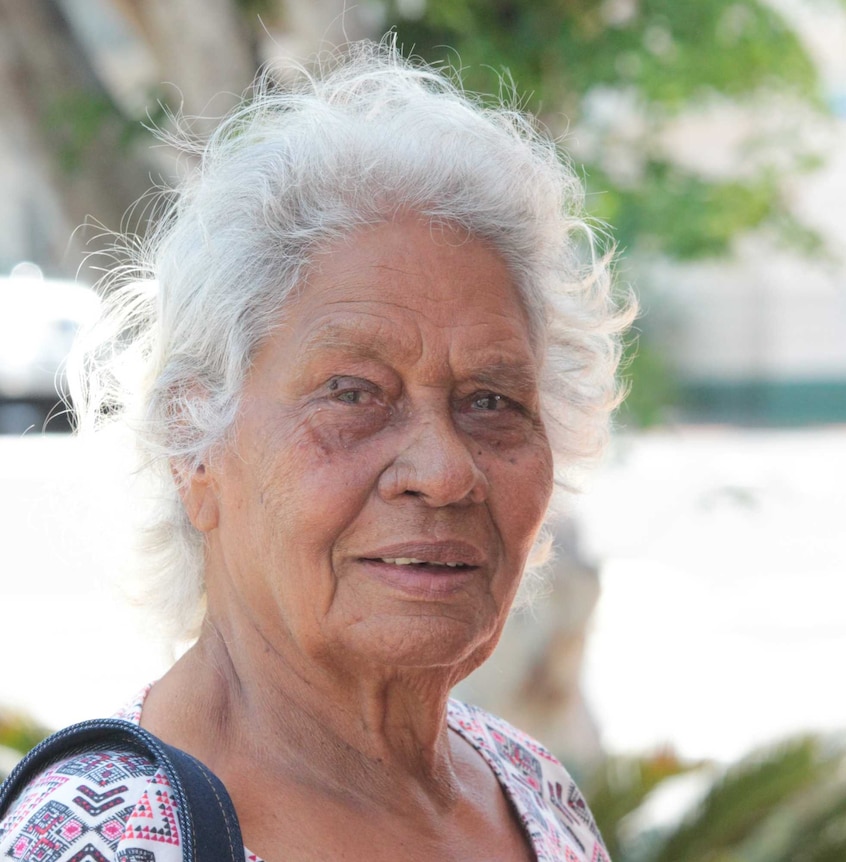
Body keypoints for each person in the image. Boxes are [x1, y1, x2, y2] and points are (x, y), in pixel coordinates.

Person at [0, 41, 632, 862]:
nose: (444, 472)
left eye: (492, 402)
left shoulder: (531, 792)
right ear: (194, 446)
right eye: (353, 394)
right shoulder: (102, 842)